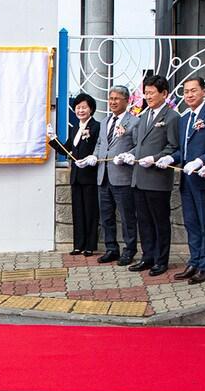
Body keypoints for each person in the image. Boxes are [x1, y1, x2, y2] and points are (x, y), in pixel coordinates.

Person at [112, 75, 180, 276]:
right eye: (146, 93)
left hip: (157, 178)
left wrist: (156, 158)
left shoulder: (172, 117)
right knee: (144, 221)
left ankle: (161, 260)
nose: (148, 97)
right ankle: (147, 256)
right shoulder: (143, 116)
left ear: (164, 94)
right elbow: (139, 146)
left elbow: (173, 147)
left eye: (152, 93)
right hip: (139, 178)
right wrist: (129, 154)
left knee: (160, 222)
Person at [176, 76, 205, 283]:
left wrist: (200, 161)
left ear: (204, 91)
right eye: (186, 92)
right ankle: (193, 261)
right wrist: (169, 158)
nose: (189, 95)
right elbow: (182, 150)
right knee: (191, 223)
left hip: (203, 179)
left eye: (193, 90)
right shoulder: (184, 119)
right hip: (186, 180)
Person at [94, 85, 138, 265]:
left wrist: (128, 155)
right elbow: (100, 144)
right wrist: (94, 156)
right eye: (111, 99)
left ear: (126, 101)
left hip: (122, 176)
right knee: (106, 216)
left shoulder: (134, 122)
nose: (112, 102)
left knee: (127, 217)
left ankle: (130, 250)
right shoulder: (104, 122)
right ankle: (111, 248)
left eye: (116, 99)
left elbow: (138, 146)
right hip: (103, 175)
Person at [53, 93, 101, 255]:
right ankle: (78, 245)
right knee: (78, 211)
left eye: (84, 107)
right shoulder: (75, 128)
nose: (80, 110)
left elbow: (98, 148)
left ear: (91, 109)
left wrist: (91, 158)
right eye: (78, 107)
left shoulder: (96, 127)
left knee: (90, 211)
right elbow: (66, 150)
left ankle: (90, 246)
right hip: (76, 177)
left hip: (90, 175)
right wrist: (53, 139)